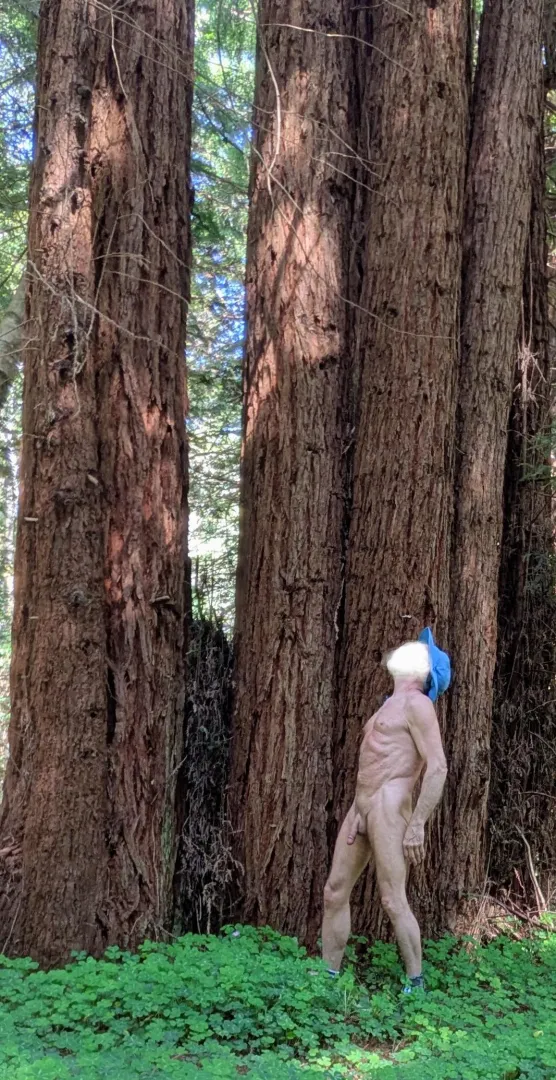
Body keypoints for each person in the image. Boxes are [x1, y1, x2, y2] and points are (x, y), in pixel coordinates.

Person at [322, 628, 450, 991]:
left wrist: (418, 823)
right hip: (361, 808)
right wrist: (360, 808)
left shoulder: (417, 705)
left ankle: (416, 983)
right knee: (334, 891)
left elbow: (437, 767)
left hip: (390, 808)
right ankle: (328, 978)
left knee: (393, 899)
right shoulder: (388, 704)